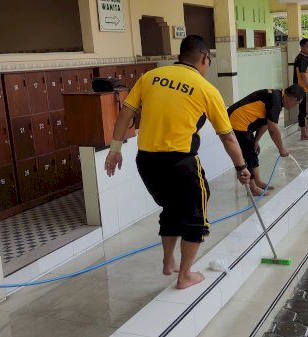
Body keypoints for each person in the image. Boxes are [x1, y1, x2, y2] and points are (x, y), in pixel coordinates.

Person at [104, 35, 251, 290]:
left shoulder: (150, 77)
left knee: (171, 208)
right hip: (180, 162)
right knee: (196, 216)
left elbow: (126, 112)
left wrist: (114, 150)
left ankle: (168, 262)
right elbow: (228, 136)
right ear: (205, 59)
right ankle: (185, 275)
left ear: (181, 54)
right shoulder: (206, 88)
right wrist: (241, 167)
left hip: (147, 162)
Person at [228, 85, 304, 195]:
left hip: (243, 123)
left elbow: (266, 123)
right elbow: (273, 129)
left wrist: (257, 140)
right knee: (249, 154)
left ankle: (258, 182)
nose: (295, 106)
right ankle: (253, 188)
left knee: (252, 152)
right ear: (293, 99)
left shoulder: (277, 98)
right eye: (296, 103)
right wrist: (281, 148)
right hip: (237, 120)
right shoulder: (275, 101)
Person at [293, 38, 308, 140]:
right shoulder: (301, 59)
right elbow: (303, 75)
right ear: (302, 47)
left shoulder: (305, 57)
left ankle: (306, 131)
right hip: (305, 90)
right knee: (304, 112)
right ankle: (303, 134)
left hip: (307, 90)